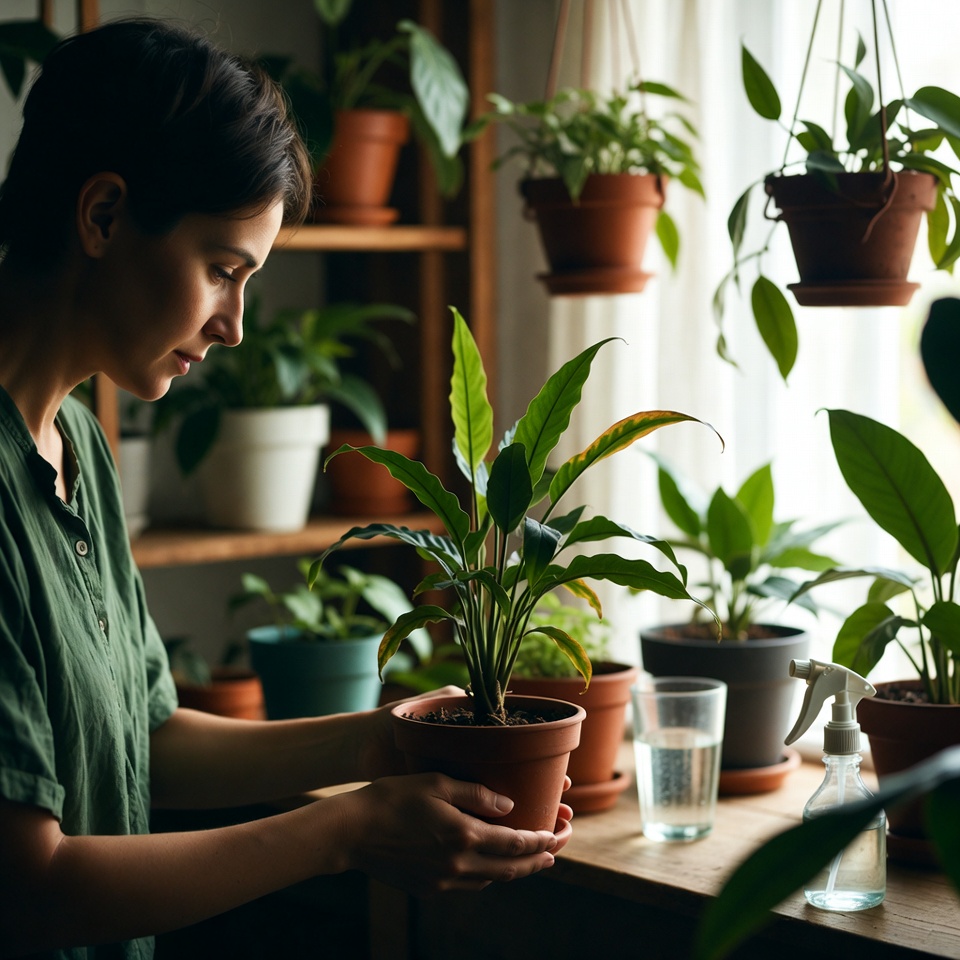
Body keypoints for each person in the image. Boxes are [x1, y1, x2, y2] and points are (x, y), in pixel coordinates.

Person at [0, 18, 569, 959]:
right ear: (102, 216)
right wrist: (342, 830)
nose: (232, 327)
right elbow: (29, 888)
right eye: (224, 270)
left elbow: (148, 740)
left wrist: (380, 744)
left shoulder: (77, 449)